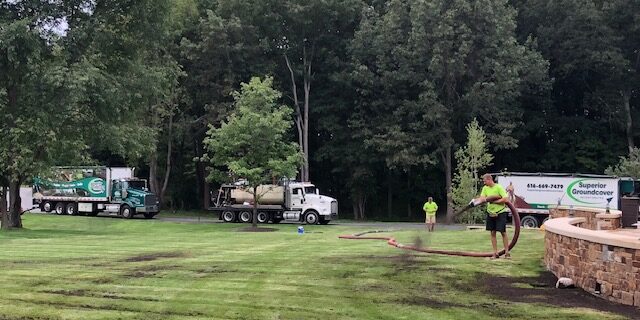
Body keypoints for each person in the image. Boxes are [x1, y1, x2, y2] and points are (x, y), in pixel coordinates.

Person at [477, 174, 511, 259]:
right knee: (492, 233)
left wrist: (495, 201)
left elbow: (506, 199)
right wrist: (488, 198)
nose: (484, 183)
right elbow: (482, 198)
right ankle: (495, 253)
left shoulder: (498, 187)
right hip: (490, 212)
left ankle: (507, 253)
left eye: (485, 181)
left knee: (503, 232)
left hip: (500, 212)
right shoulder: (485, 188)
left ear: (489, 180)